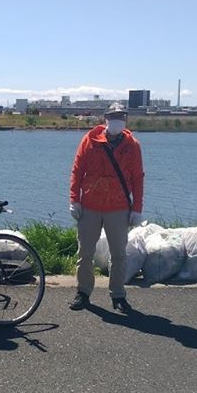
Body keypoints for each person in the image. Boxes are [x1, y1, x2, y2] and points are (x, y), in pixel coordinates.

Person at [68, 103, 144, 313]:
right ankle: (83, 292)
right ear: (105, 119)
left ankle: (118, 295)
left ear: (126, 120)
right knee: (85, 252)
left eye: (121, 116)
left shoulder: (133, 145)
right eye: (113, 116)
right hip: (90, 205)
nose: (117, 120)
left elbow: (138, 178)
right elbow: (77, 170)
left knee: (119, 254)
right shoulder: (89, 140)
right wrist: (74, 199)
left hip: (118, 207)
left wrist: (137, 208)